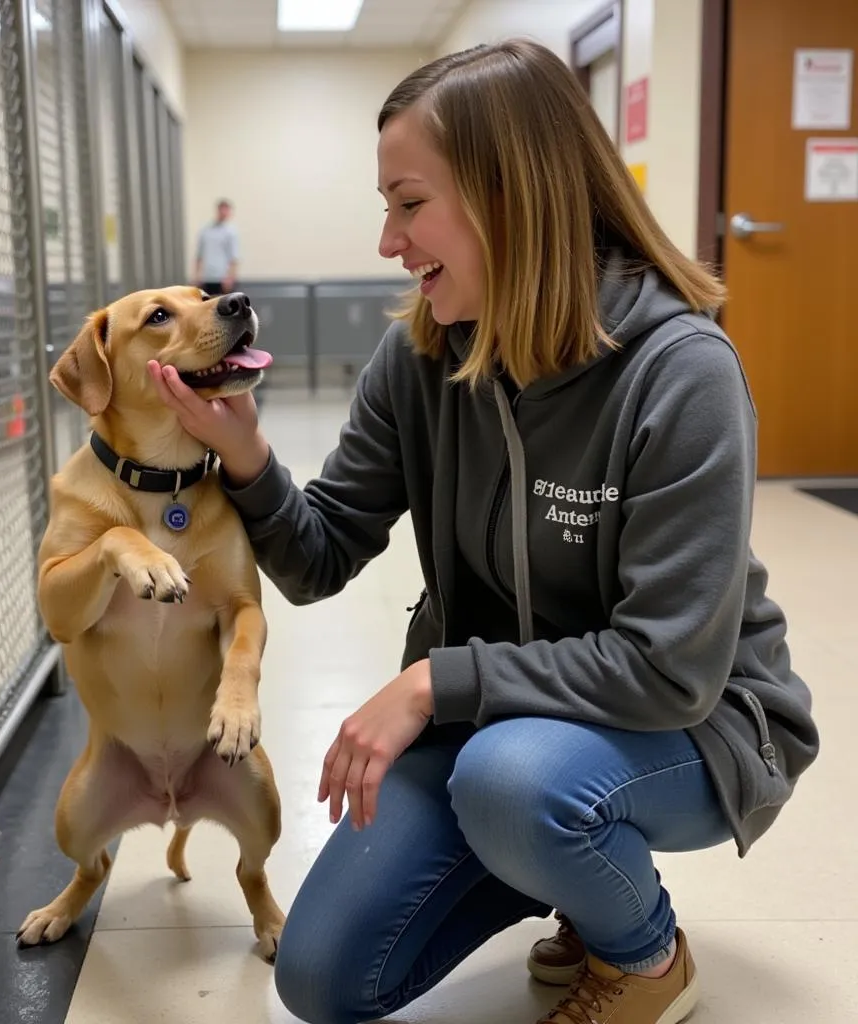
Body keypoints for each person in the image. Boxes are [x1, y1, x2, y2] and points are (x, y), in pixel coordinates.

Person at [147, 39, 820, 1024]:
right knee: (325, 976)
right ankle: (556, 848)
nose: (388, 240)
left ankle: (643, 952)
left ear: (511, 194)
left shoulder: (679, 372)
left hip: (692, 721)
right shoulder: (416, 359)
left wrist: (435, 681)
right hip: (499, 731)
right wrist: (244, 458)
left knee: (516, 779)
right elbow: (319, 553)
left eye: (408, 204)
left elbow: (670, 667)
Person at [195, 198, 240, 296]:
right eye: (222, 209)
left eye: (226, 210)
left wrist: (230, 277)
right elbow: (199, 256)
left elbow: (234, 258)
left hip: (222, 278)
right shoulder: (205, 230)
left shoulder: (231, 232)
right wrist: (197, 276)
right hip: (207, 277)